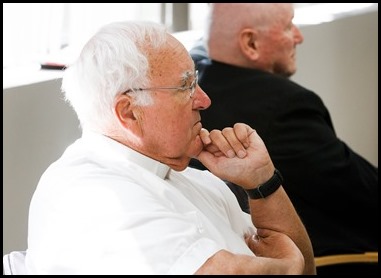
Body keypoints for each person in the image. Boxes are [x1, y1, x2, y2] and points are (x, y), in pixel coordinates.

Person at [24, 21, 315, 275]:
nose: (204, 100)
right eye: (186, 86)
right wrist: (289, 262)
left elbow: (305, 270)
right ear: (129, 112)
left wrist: (262, 182)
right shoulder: (89, 193)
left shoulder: (197, 179)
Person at [188, 2, 378, 266]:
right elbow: (364, 195)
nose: (299, 37)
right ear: (251, 43)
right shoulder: (284, 106)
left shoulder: (194, 91)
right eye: (289, 26)